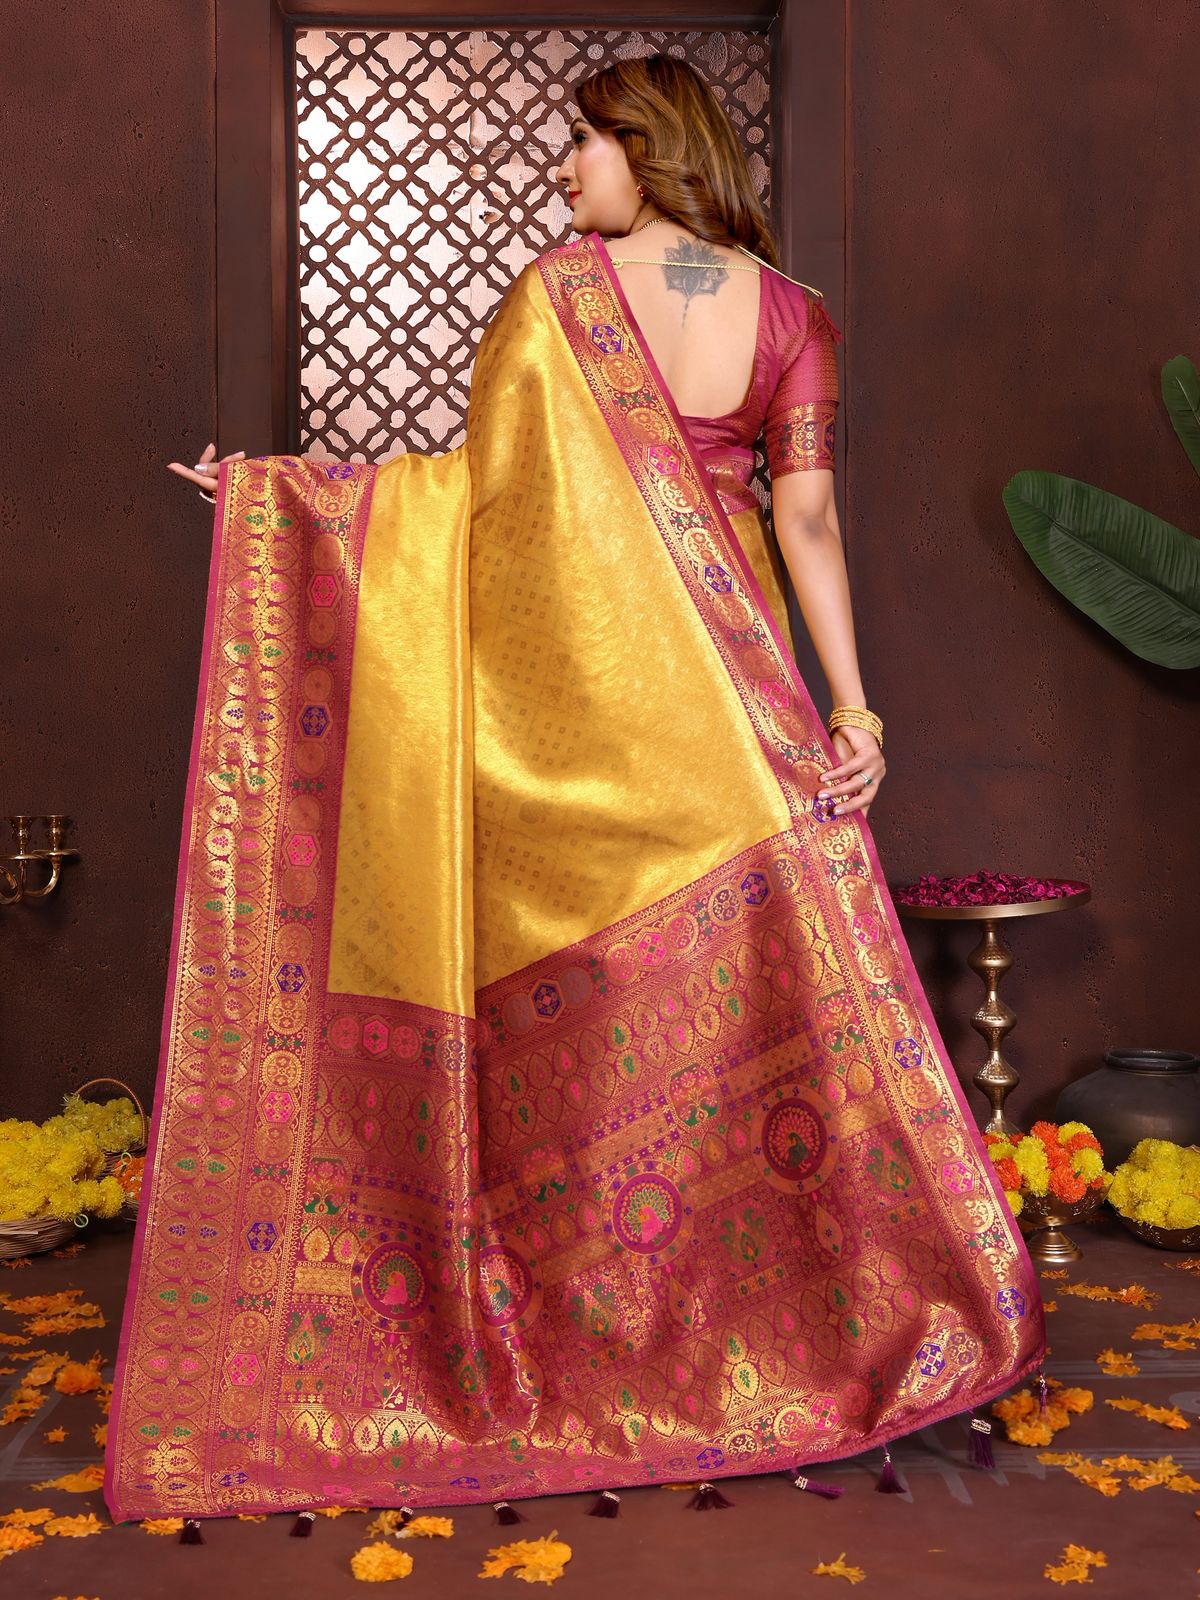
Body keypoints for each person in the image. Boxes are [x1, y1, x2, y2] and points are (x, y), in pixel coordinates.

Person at [109, 53, 1043, 1530]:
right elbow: (806, 519)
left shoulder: (560, 296)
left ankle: (602, 1345)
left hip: (592, 744)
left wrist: (281, 500)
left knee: (593, 1052)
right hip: (742, 724)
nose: (565, 172)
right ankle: (769, 1349)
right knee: (758, 1047)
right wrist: (850, 712)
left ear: (647, 149)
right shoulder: (793, 315)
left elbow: (480, 509)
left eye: (586, 144)